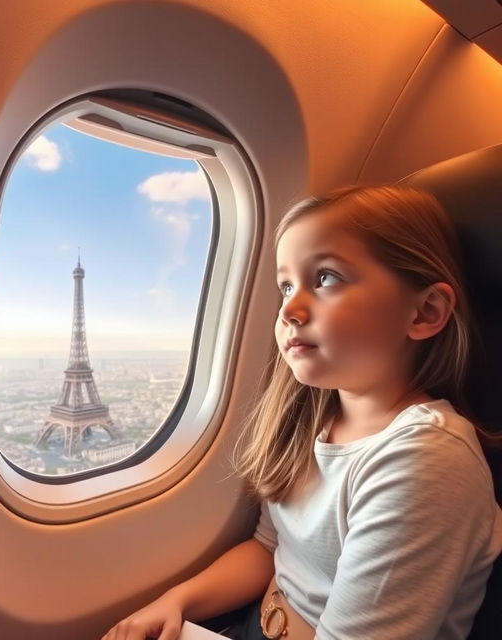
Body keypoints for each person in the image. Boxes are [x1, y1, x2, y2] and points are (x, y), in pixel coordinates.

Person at [101, 186, 502, 640]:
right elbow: (269, 549)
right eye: (286, 285)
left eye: (326, 278)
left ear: (425, 311)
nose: (289, 308)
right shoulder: (315, 420)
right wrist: (175, 602)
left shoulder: (424, 459)